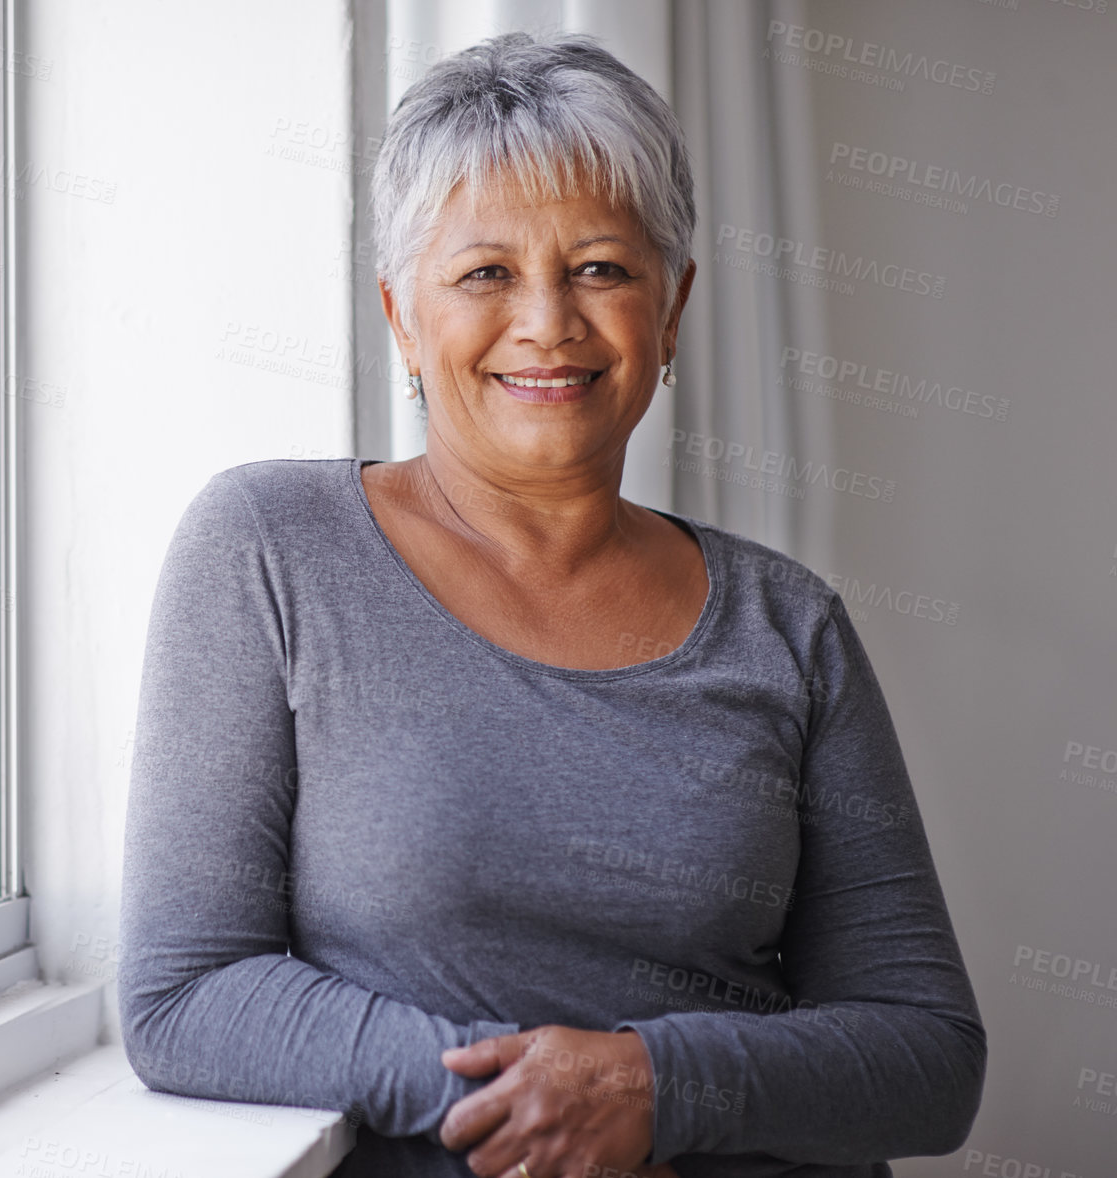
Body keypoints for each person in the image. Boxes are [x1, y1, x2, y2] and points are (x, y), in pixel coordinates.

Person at [117, 31, 984, 1178]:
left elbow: (927, 1059)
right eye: (485, 273)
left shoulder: (791, 625)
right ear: (401, 317)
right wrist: (540, 1107)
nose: (549, 323)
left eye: (600, 268)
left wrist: (655, 1087)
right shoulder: (270, 551)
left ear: (669, 313)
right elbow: (190, 991)